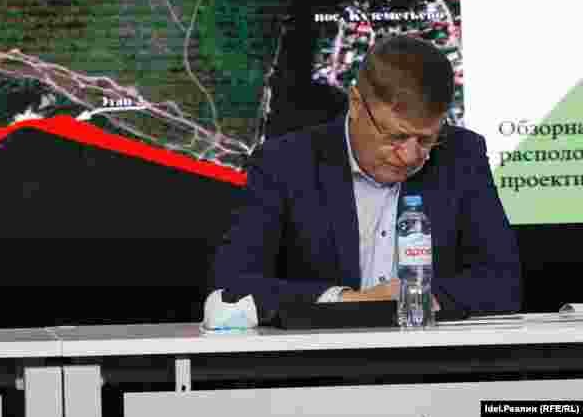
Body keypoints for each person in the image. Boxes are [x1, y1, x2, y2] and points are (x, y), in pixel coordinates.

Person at [213, 34, 520, 323]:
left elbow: (503, 283)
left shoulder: (462, 154)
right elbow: (232, 286)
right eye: (396, 137)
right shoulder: (284, 163)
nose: (410, 156)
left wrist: (419, 298)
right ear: (357, 104)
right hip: (319, 355)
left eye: (427, 139)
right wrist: (349, 302)